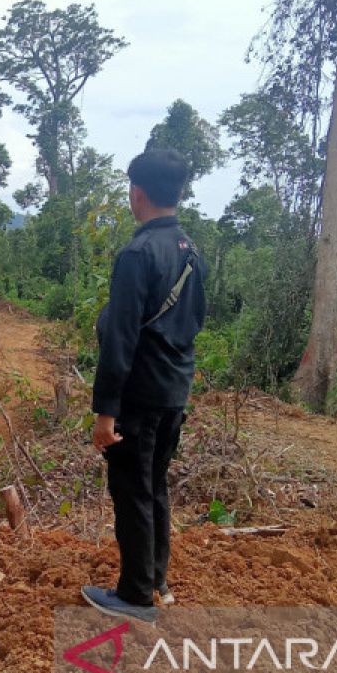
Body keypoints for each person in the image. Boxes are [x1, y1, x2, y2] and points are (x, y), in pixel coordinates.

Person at [81, 148, 206, 624]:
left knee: (132, 489)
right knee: (154, 486)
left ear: (137, 194)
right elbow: (194, 320)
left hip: (139, 395)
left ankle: (135, 596)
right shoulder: (191, 250)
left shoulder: (137, 254)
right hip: (174, 391)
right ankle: (156, 582)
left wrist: (105, 412)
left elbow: (120, 338)